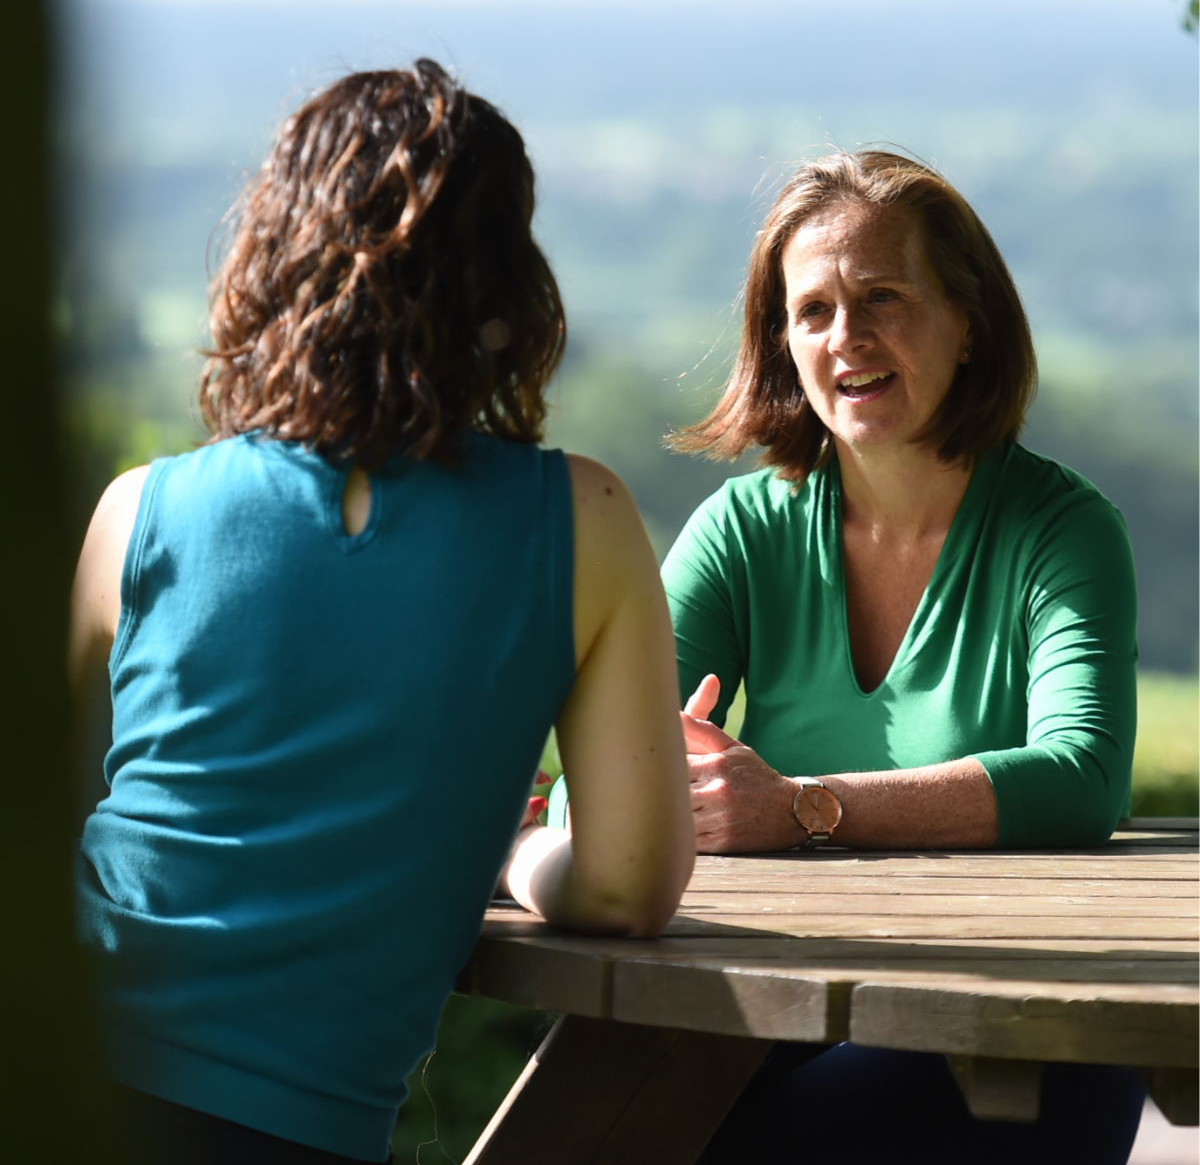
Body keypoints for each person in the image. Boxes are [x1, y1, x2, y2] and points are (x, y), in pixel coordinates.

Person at [70, 62, 694, 1165]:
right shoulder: (581, 523)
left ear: (273, 260)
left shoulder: (137, 513)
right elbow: (626, 887)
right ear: (508, 286)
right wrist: (518, 855)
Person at [661, 150, 1145, 1163]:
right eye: (813, 311)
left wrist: (800, 806)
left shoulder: (1064, 531)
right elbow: (610, 778)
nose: (847, 337)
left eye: (883, 297)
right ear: (783, 344)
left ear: (969, 323)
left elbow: (1083, 778)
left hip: (1011, 1030)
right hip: (771, 1012)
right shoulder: (738, 532)